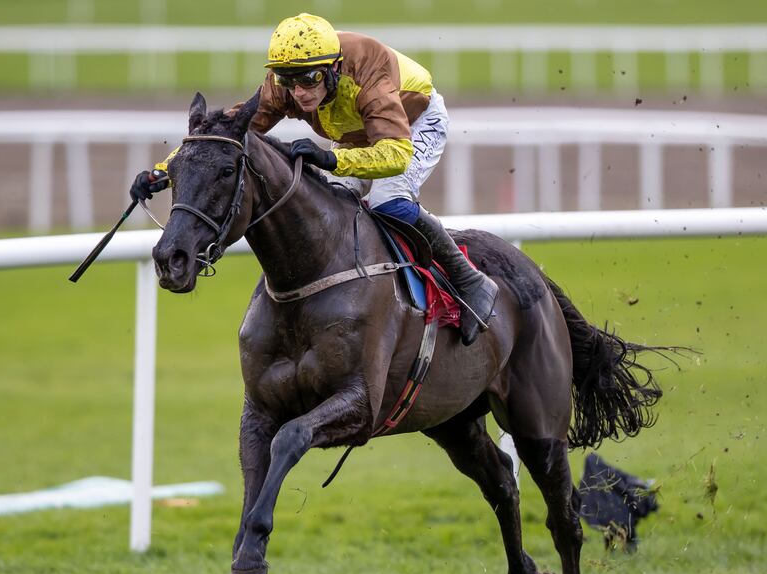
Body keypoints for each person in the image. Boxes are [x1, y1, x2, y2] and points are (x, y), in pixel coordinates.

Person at [130, 13, 498, 345]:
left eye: (309, 79)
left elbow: (395, 155)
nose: (299, 91)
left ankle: (469, 279)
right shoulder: (286, 82)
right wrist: (161, 172)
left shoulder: (370, 72)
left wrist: (331, 157)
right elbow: (223, 139)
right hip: (357, 130)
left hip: (411, 124)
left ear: (334, 68)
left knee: (388, 201)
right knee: (333, 205)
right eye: (287, 80)